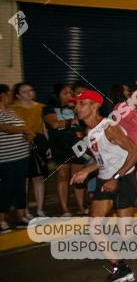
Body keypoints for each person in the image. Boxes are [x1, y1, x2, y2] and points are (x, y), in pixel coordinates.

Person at [69, 90, 137, 282]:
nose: (77, 107)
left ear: (94, 106)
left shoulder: (109, 128)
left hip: (123, 179)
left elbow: (135, 152)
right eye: (76, 104)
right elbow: (101, 159)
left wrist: (116, 177)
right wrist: (86, 171)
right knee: (94, 227)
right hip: (105, 180)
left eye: (82, 103)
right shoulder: (90, 132)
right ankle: (120, 268)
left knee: (126, 234)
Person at [42, 83, 88, 216]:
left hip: (77, 144)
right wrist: (71, 121)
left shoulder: (76, 107)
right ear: (57, 95)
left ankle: (81, 207)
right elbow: (54, 124)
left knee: (78, 177)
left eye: (70, 93)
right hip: (60, 146)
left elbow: (85, 122)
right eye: (65, 93)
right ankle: (65, 209)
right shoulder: (49, 109)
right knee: (63, 176)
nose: (69, 95)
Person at [11, 83, 49, 217]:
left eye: (30, 90)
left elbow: (44, 127)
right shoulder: (12, 109)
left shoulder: (41, 107)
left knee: (39, 177)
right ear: (17, 95)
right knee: (24, 179)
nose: (28, 93)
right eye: (24, 91)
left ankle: (40, 209)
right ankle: (25, 210)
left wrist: (48, 145)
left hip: (38, 143)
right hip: (19, 143)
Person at [0, 84, 33, 232]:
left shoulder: (10, 111)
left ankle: (21, 217)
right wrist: (24, 129)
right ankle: (1, 220)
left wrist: (28, 135)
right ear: (2, 95)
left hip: (21, 157)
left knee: (20, 188)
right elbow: (4, 127)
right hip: (5, 159)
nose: (10, 96)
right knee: (5, 189)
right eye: (9, 94)